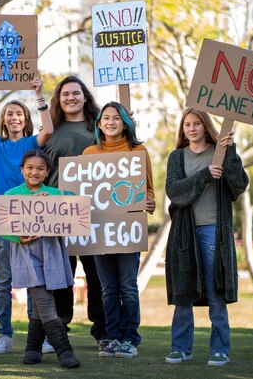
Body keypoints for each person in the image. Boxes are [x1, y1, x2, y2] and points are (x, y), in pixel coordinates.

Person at [0, 75, 53, 354]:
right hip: (3, 218)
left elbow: (48, 130)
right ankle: (4, 335)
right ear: (3, 120)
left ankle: (37, 336)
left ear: (25, 119)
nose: (13, 117)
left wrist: (39, 94)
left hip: (30, 216)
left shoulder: (32, 143)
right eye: (9, 114)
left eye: (18, 113)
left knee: (34, 280)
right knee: (3, 280)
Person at [164, 108, 249, 366]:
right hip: (184, 234)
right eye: (187, 124)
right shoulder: (177, 157)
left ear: (206, 126)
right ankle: (181, 348)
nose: (192, 128)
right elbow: (173, 191)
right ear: (183, 129)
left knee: (215, 292)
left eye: (197, 123)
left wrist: (231, 153)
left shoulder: (220, 153)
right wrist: (203, 176)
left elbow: (239, 186)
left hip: (214, 231)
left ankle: (220, 350)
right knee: (184, 293)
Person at [82, 101, 155, 359]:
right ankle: (110, 337)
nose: (110, 122)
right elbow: (82, 193)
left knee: (127, 286)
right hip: (99, 231)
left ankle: (130, 338)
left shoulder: (139, 151)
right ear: (98, 124)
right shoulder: (89, 154)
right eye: (106, 118)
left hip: (128, 230)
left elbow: (148, 189)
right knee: (107, 288)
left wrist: (149, 201)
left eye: (116, 118)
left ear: (125, 122)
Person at [45, 76, 107, 347]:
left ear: (85, 97)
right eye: (65, 94)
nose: (70, 97)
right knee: (60, 274)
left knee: (96, 275)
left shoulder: (100, 128)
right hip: (57, 211)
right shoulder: (50, 129)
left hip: (94, 211)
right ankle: (58, 330)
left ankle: (102, 331)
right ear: (58, 100)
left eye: (75, 93)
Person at [3, 150, 79, 368]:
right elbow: (2, 227)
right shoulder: (11, 194)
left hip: (51, 251)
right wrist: (18, 236)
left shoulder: (54, 193)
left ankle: (32, 349)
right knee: (44, 301)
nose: (34, 172)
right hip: (25, 252)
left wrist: (56, 203)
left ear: (46, 172)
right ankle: (64, 351)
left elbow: (76, 206)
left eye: (39, 169)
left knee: (39, 302)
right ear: (22, 170)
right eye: (29, 168)